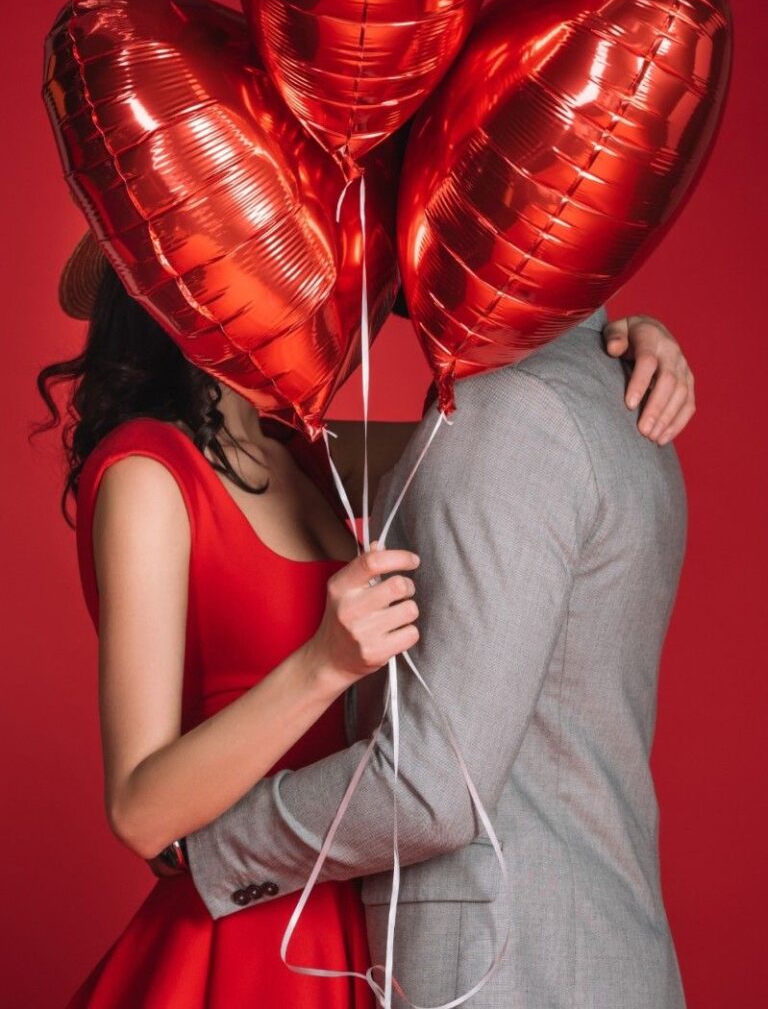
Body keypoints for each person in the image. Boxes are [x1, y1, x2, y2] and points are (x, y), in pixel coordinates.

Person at [40, 230, 693, 1007]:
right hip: (247, 937)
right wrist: (323, 666)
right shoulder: (148, 472)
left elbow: (513, 443)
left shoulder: (300, 454)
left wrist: (617, 346)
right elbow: (140, 810)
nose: (310, 287)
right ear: (175, 288)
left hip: (354, 913)